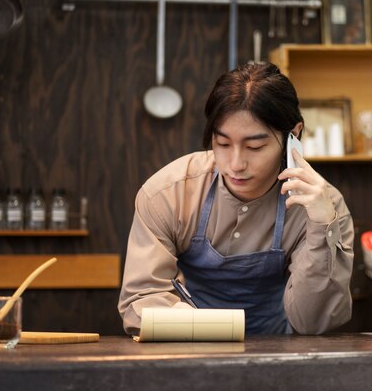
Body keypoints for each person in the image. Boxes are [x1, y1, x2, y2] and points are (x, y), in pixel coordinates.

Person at [118, 62, 354, 335]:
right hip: (187, 347)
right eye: (223, 144)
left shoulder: (323, 207)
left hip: (280, 355)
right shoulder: (168, 193)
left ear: (294, 135)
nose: (235, 164)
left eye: (255, 146)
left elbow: (313, 322)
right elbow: (141, 300)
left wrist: (322, 227)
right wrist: (202, 329)